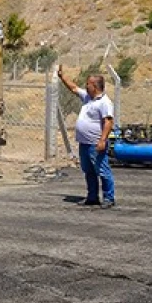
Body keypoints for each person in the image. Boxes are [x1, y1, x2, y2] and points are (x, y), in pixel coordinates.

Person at [57, 65, 116, 208]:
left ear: (95, 86)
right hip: (84, 143)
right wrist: (62, 76)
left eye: (88, 84)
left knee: (102, 171)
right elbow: (73, 88)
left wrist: (102, 140)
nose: (86, 86)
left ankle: (109, 198)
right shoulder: (88, 98)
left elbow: (108, 121)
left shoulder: (104, 102)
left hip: (96, 143)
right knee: (88, 171)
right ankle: (92, 196)